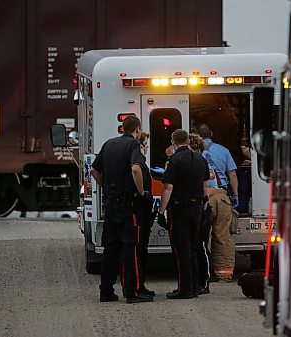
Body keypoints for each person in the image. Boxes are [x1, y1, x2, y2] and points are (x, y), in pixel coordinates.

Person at [90, 115, 153, 304]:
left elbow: (94, 170)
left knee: (110, 248)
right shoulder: (133, 145)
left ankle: (106, 291)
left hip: (111, 204)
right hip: (128, 206)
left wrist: (106, 187)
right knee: (130, 246)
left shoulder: (108, 144)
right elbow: (136, 169)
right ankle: (132, 291)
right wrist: (141, 193)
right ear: (138, 129)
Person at [158, 129, 210, 299]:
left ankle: (185, 289)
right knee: (194, 247)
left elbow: (168, 187)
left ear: (173, 141)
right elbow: (205, 188)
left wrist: (161, 210)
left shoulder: (176, 160)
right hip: (197, 209)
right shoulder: (201, 160)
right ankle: (195, 287)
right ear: (188, 140)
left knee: (182, 249)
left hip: (180, 209)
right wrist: (203, 208)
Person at [197, 124, 237, 281]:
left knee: (200, 235)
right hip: (221, 195)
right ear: (211, 134)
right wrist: (236, 195)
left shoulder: (193, 150)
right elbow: (232, 174)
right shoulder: (223, 150)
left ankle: (203, 271)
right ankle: (224, 273)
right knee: (222, 235)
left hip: (203, 195)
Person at [188, 133, 215, 295]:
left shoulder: (203, 162)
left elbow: (212, 187)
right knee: (195, 246)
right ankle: (196, 280)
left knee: (201, 246)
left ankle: (204, 282)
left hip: (203, 208)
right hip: (198, 207)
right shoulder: (195, 161)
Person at [135, 131, 156, 297]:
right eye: (146, 145)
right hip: (139, 212)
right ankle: (138, 287)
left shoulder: (141, 161)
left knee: (140, 250)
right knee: (139, 250)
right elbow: (135, 170)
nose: (147, 148)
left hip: (141, 212)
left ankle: (139, 285)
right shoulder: (138, 160)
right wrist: (143, 193)